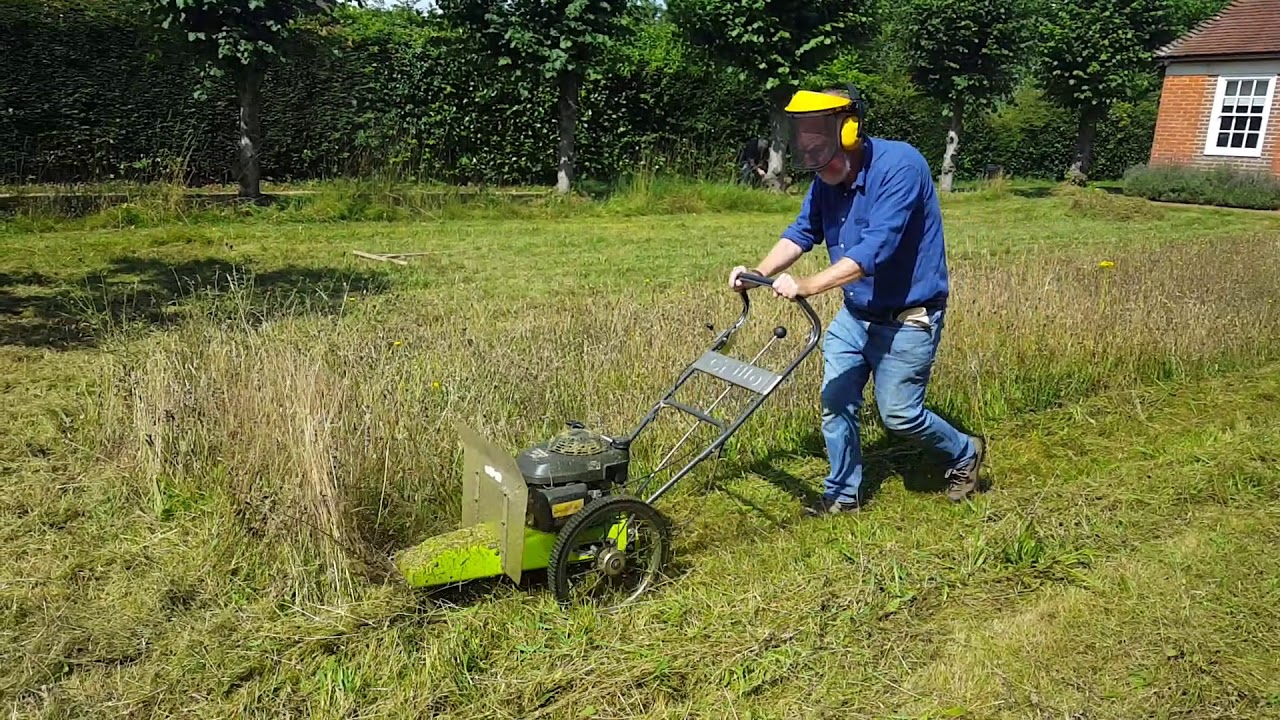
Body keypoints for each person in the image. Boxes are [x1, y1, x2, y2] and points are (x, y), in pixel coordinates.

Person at [729, 85, 985, 515]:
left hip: (908, 317)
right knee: (836, 401)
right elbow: (801, 233)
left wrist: (808, 285)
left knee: (900, 416)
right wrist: (758, 274)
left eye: (827, 161)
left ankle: (963, 451)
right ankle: (843, 496)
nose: (822, 171)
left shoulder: (900, 166)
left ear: (849, 134)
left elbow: (874, 250)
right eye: (812, 160)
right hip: (856, 314)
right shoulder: (824, 178)